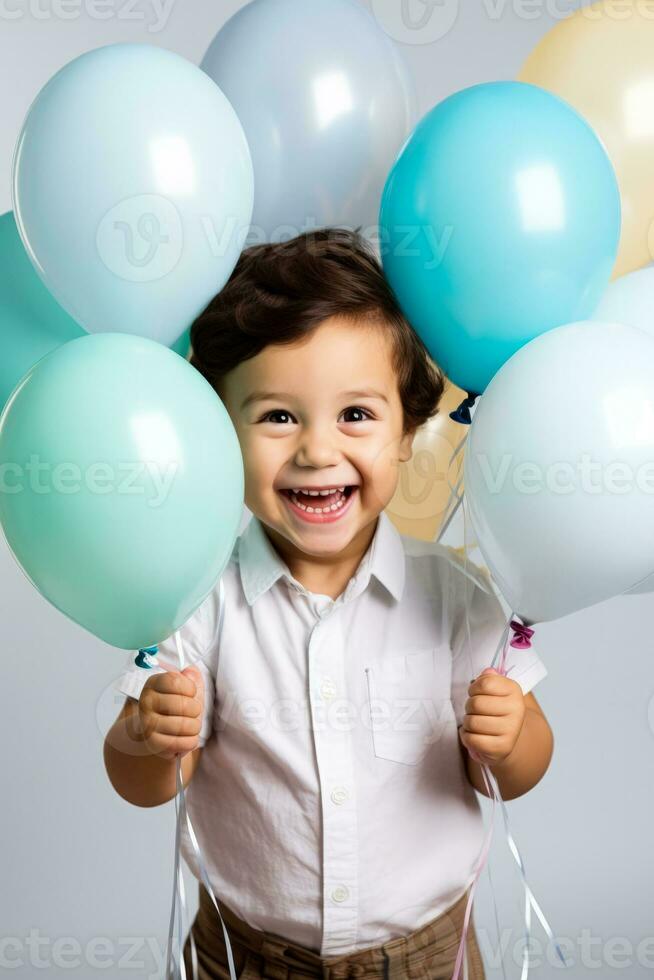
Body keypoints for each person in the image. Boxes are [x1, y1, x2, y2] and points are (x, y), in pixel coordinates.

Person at [104, 228, 554, 980]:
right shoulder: (196, 599)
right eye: (278, 417)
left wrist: (511, 741)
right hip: (245, 952)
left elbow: (510, 772)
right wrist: (146, 740)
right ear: (217, 432)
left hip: (424, 956)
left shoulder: (453, 596)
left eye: (356, 415)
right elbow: (145, 784)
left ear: (408, 431)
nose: (317, 450)